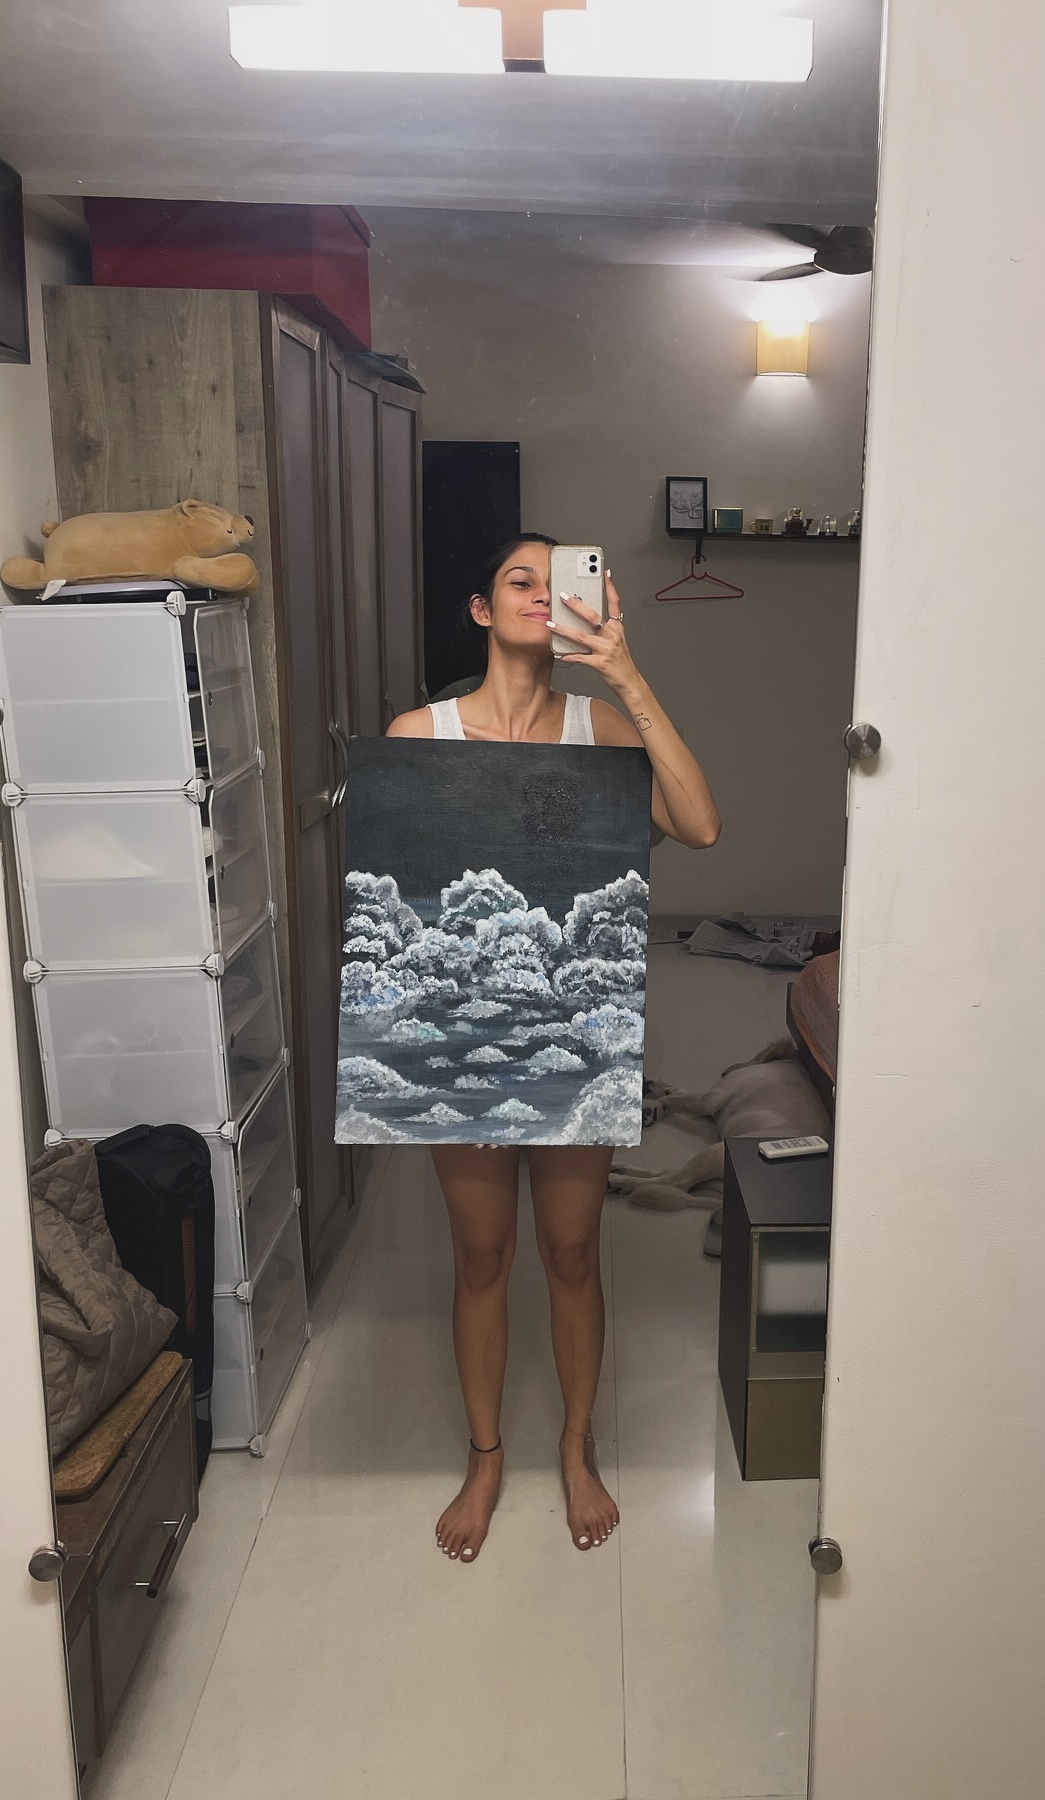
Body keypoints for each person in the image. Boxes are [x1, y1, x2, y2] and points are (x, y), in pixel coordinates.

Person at [387, 534, 720, 1562]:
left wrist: (625, 673)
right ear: (481, 610)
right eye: (518, 581)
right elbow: (397, 895)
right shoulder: (422, 733)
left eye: (556, 581)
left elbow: (700, 826)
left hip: (578, 1031)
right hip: (462, 1031)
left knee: (572, 1251)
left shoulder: (601, 727)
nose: (540, 595)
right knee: (481, 1253)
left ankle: (576, 1447)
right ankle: (486, 1456)